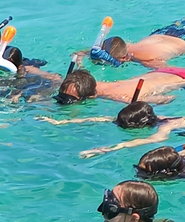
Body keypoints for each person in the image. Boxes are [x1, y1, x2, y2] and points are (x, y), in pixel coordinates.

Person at [36, 101, 185, 158]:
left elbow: (151, 139)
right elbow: (103, 118)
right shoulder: (154, 118)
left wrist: (107, 149)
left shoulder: (166, 126)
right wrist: (61, 122)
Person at [75, 17, 185, 69]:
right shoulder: (125, 46)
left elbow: (171, 71)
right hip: (163, 33)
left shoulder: (146, 60)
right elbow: (78, 53)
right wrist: (80, 66)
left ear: (123, 58)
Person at [55, 68, 185, 105]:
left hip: (180, 79)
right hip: (160, 72)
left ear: (91, 96)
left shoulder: (120, 97)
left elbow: (168, 98)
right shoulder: (86, 83)